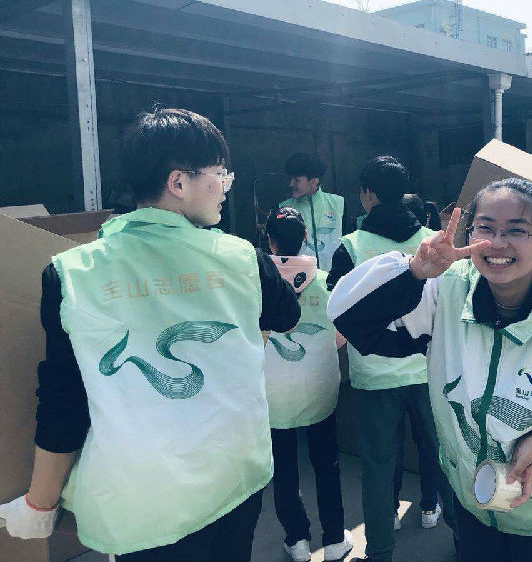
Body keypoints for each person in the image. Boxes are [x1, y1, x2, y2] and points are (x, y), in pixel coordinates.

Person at [0, 109, 300, 561]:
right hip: (236, 479)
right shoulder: (243, 258)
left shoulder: (72, 273)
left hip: (142, 503)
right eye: (220, 174)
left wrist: (40, 504)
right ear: (178, 183)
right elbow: (286, 315)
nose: (226, 186)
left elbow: (64, 402)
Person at [328, 178, 532, 562]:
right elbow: (348, 317)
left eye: (516, 231)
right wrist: (415, 270)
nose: (497, 243)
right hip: (472, 507)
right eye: (485, 228)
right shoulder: (446, 292)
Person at [326, 156, 449, 562]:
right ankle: (465, 540)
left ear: (367, 194)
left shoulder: (351, 247)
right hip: (430, 373)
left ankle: (379, 552)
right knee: (445, 458)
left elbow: (338, 311)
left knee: (378, 469)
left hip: (374, 377)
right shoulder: (435, 242)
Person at [263, 207, 354, 562]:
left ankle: (297, 540)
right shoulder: (327, 283)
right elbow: (340, 337)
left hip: (272, 394)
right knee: (326, 465)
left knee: (284, 470)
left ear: (269, 241)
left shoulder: (255, 285)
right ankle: (333, 540)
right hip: (319, 390)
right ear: (304, 238)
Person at [281, 153, 345, 272]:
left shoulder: (338, 203)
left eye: (297, 180)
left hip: (335, 279)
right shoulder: (284, 209)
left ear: (314, 181)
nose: (291, 184)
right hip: (299, 279)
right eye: (291, 178)